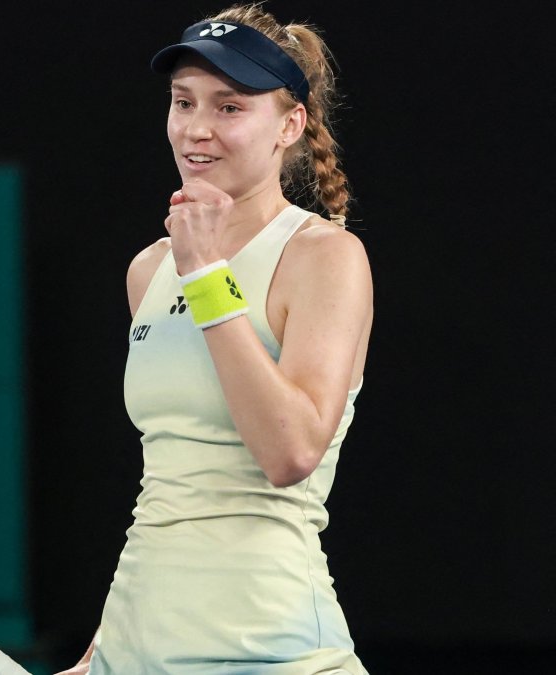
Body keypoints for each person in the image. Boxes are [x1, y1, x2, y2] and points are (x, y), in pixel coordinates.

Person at [59, 4, 372, 674]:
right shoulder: (148, 270)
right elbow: (170, 491)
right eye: (183, 102)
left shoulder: (325, 259)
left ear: (289, 125)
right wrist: (97, 654)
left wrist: (207, 273)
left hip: (277, 652)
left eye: (229, 108)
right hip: (138, 646)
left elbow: (289, 450)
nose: (195, 129)